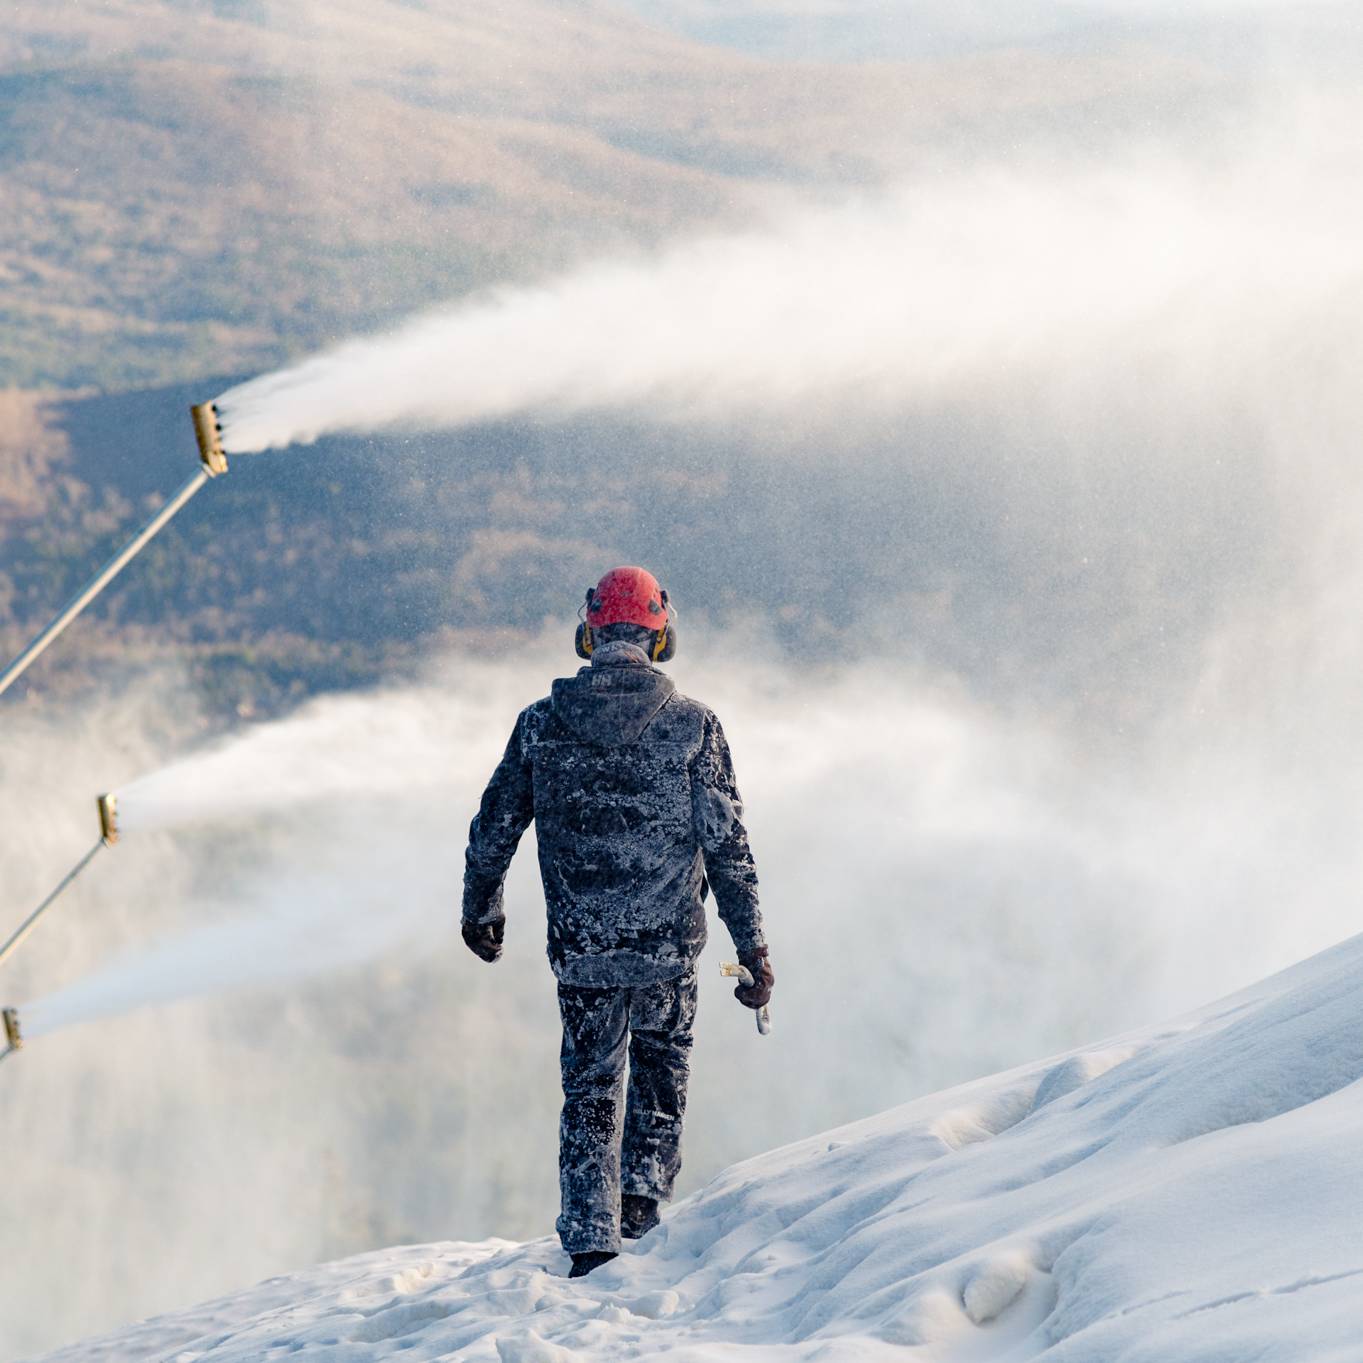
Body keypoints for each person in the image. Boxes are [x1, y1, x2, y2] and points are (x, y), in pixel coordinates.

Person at [461, 565, 774, 1278]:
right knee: (662, 1073)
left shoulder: (540, 726)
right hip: (667, 954)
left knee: (591, 1088)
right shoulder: (695, 726)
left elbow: (493, 829)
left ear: (589, 632)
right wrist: (752, 949)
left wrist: (481, 909)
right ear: (659, 633)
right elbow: (728, 850)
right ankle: (640, 1210)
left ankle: (591, 1241)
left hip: (582, 955)